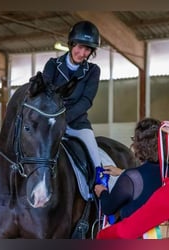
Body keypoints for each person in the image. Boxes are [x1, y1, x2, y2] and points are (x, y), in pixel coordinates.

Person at [42, 20, 104, 175]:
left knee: (93, 153)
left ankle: (100, 185)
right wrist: (53, 120)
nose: (82, 53)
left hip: (77, 124)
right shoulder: (52, 65)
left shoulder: (93, 70)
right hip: (50, 122)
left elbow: (86, 101)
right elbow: (45, 94)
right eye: (80, 47)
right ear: (71, 44)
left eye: (88, 49)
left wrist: (64, 118)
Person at [94, 118, 169, 223]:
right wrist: (122, 172)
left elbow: (108, 208)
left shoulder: (131, 178)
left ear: (139, 146)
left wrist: (102, 192)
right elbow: (149, 183)